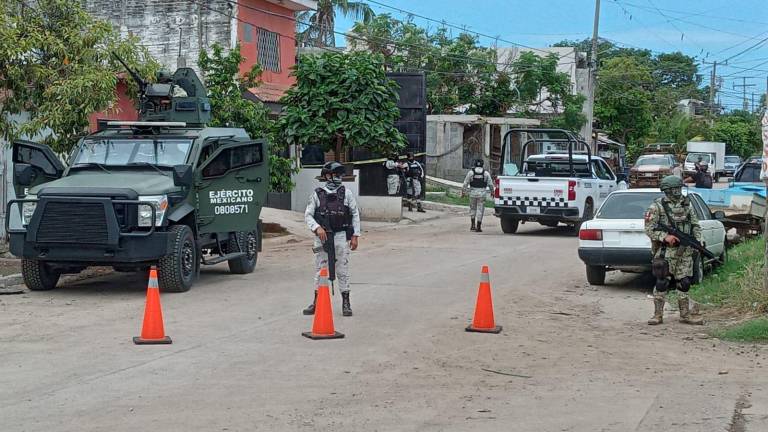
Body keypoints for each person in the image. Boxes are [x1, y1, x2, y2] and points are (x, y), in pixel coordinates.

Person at [303, 162, 361, 317]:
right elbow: (308, 215)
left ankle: (346, 303)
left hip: (341, 235)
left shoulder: (346, 193)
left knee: (342, 269)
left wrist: (355, 236)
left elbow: (355, 214)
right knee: (321, 270)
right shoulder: (317, 194)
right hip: (323, 238)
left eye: (338, 175)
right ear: (326, 176)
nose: (335, 178)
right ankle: (317, 301)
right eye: (332, 175)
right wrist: (317, 228)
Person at [644, 175, 703, 326]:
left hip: (685, 252)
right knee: (662, 282)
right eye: (675, 189)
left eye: (679, 188)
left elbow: (695, 225)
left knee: (684, 283)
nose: (678, 192)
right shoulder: (656, 207)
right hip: (666, 251)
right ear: (667, 190)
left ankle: (685, 314)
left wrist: (697, 240)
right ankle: (657, 315)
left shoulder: (686, 205)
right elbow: (649, 229)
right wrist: (665, 237)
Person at [461, 159, 495, 232]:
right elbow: (490, 184)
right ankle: (478, 226)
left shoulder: (471, 173)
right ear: (482, 165)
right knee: (480, 209)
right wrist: (492, 192)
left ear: (475, 164)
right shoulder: (486, 173)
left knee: (472, 208)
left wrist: (463, 192)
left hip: (472, 193)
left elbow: (465, 183)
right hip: (482, 193)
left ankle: (473, 225)